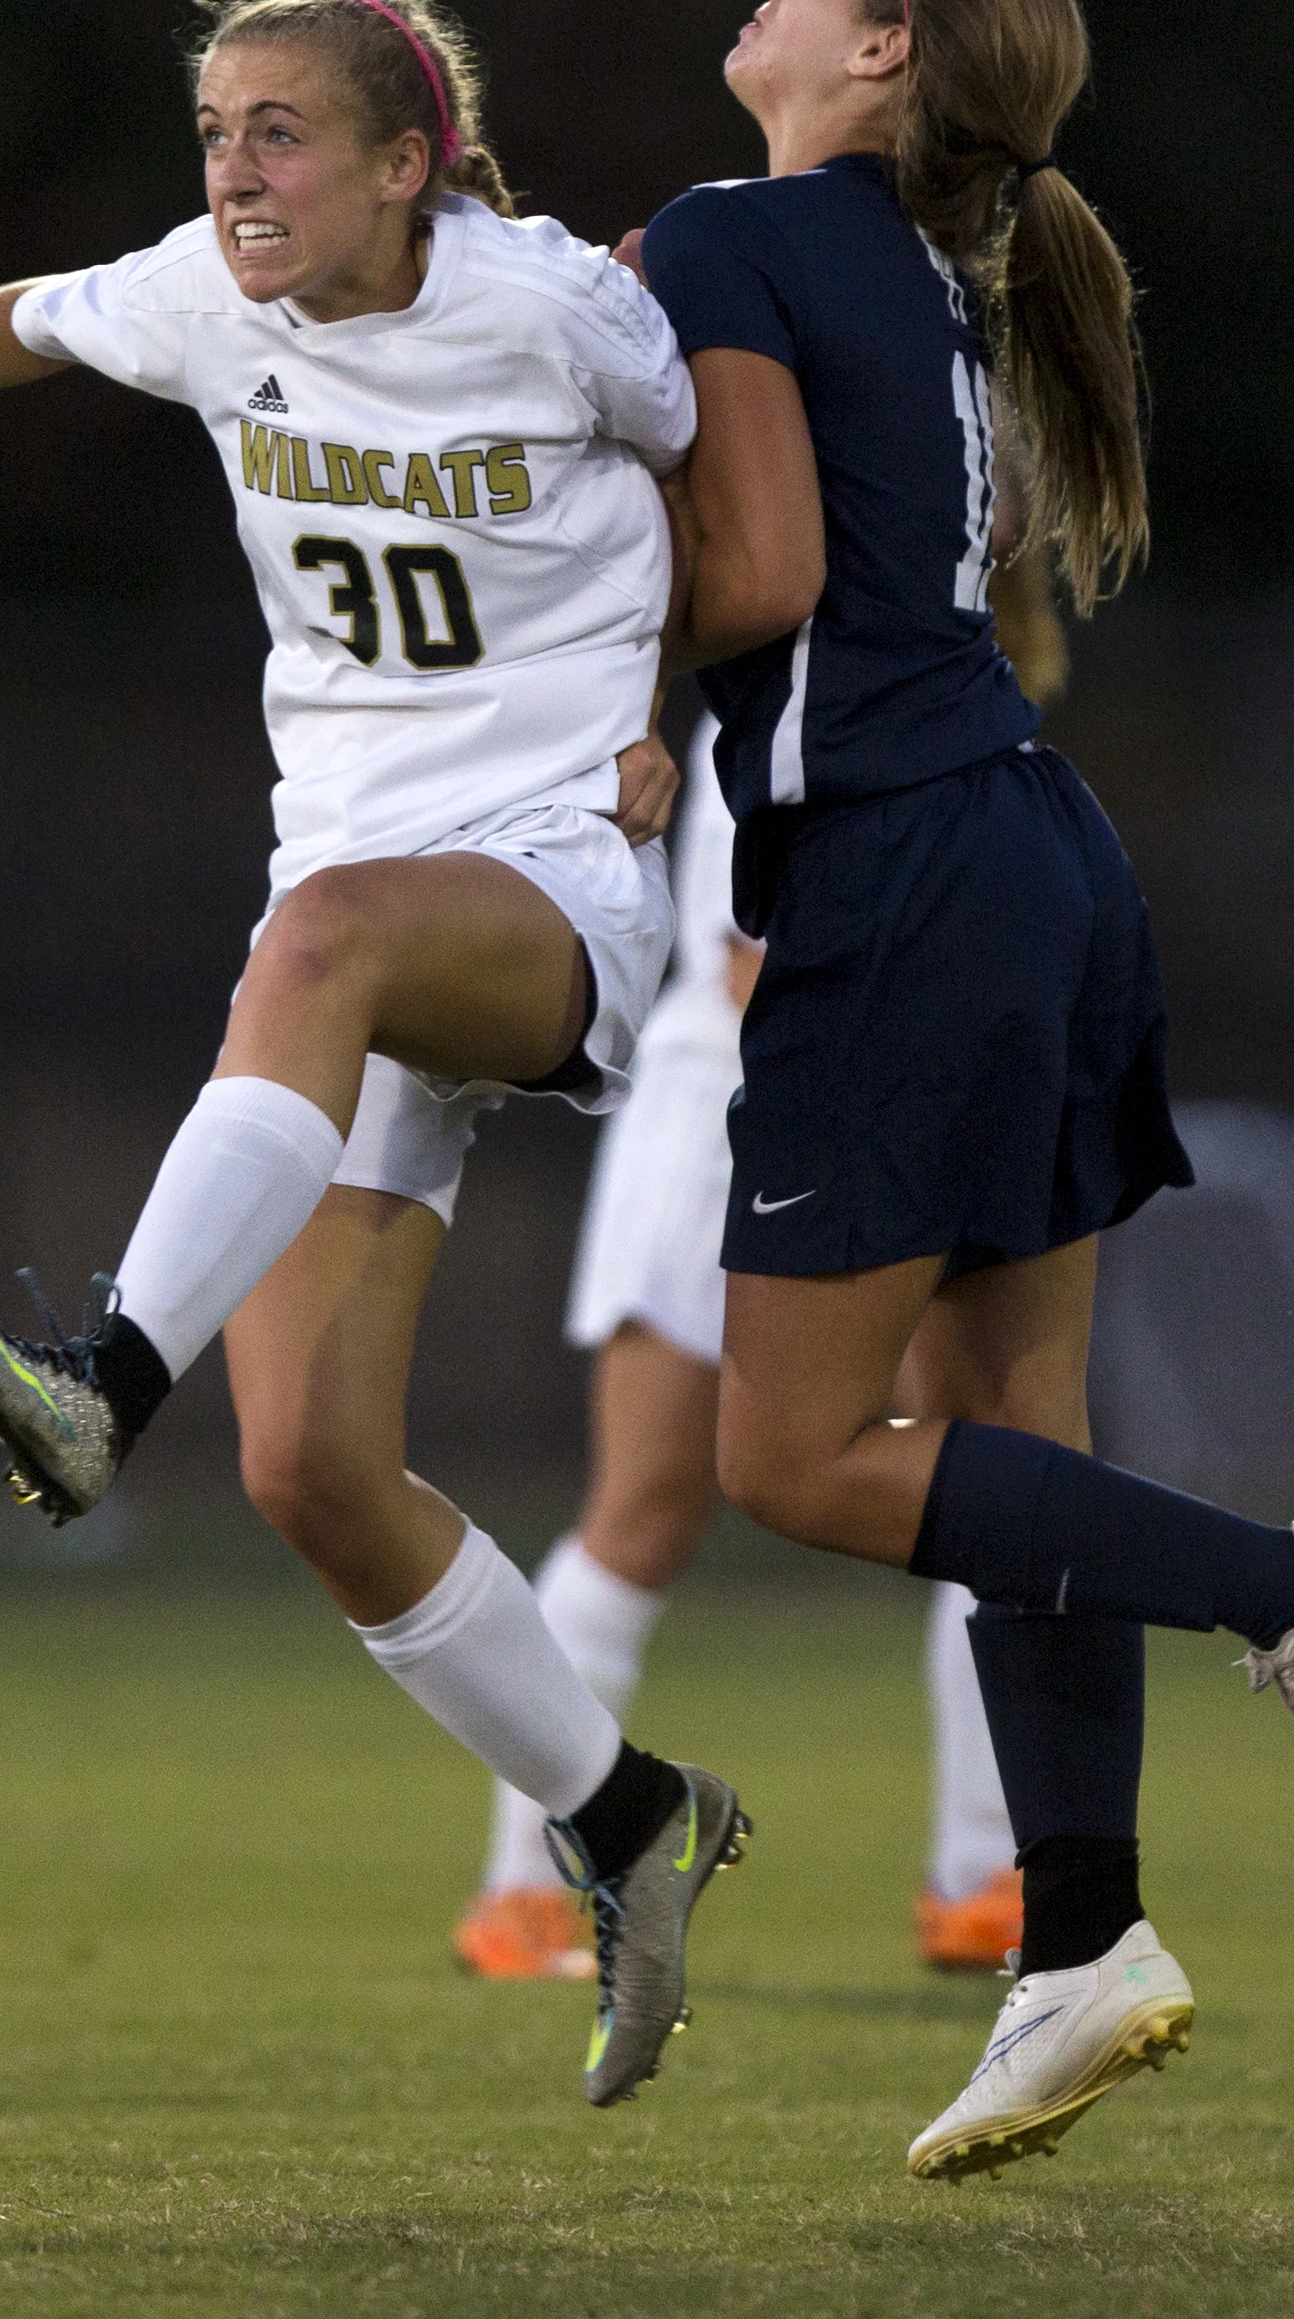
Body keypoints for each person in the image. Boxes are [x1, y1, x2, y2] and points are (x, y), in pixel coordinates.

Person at [0, 0, 747, 2112]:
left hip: (540, 889)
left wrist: (667, 726)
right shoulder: (210, 294)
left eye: (281, 133)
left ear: (407, 158)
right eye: (215, 134)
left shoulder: (550, 301)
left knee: (325, 937)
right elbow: (27, 316)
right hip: (352, 938)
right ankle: (634, 1819)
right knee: (312, 1471)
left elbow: (722, 471)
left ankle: (97, 1383)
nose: (236, 170)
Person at [643, 0, 1294, 2181]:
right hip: (1020, 848)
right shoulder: (909, 259)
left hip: (906, 876)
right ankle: (1073, 1934)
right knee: (1010, 1429)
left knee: (791, 1456)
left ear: (881, 46)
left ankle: (1291, 1583)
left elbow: (764, 579)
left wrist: (583, 586)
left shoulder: (747, 231)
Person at [452, 705, 1028, 1986]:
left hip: (875, 1128)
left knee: (981, 1486)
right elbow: (754, 976)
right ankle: (522, 1896)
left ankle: (984, 1878)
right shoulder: (795, 720)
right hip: (723, 1127)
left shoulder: (964, 723)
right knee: (644, 1513)